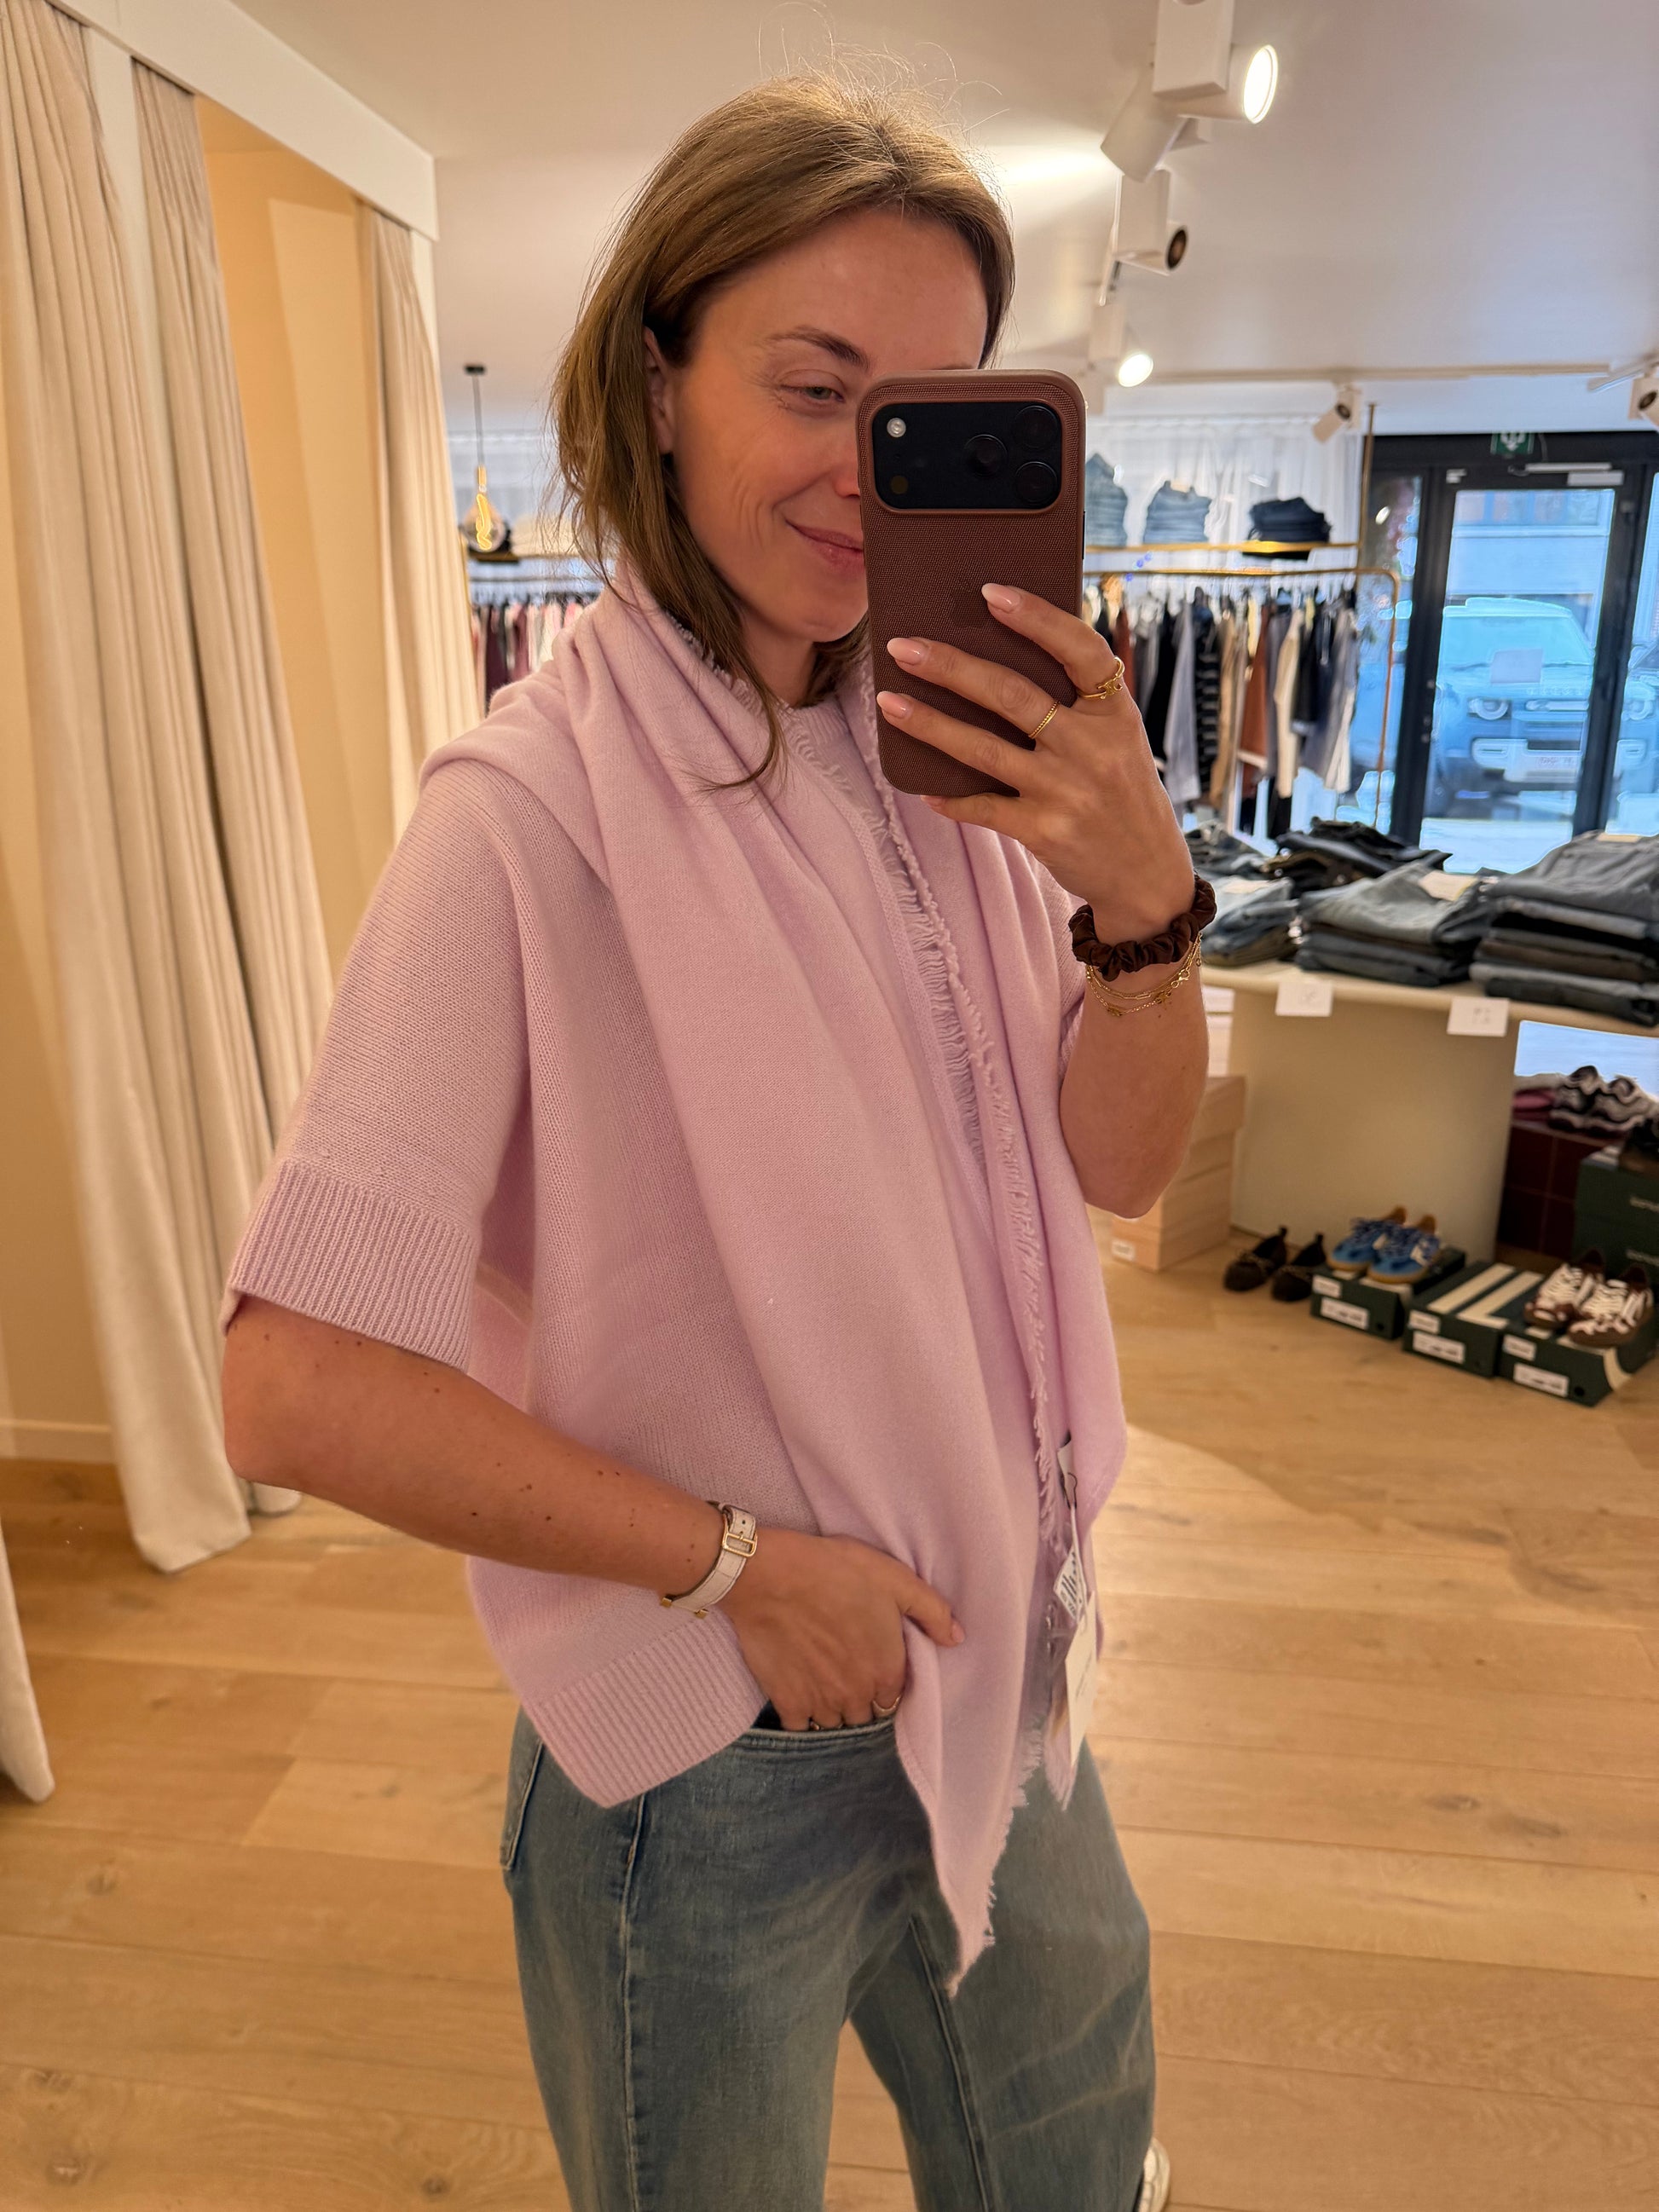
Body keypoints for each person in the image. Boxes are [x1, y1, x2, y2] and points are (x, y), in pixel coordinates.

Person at [219, 72, 1207, 2212]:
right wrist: (741, 1568)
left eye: (923, 415)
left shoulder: (956, 778)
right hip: (723, 1741)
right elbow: (291, 1380)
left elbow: (1117, 1172)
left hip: (1004, 1662)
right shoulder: (525, 819)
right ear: (659, 385)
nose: (866, 472)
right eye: (813, 386)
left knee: (1073, 2160)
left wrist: (1141, 899)